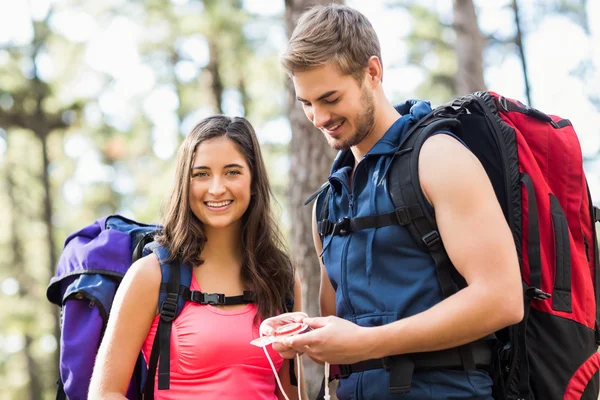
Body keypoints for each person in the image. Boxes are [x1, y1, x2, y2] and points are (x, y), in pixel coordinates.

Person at [273, 4, 523, 399]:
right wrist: (302, 335)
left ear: (372, 72)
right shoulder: (329, 202)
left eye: (330, 97)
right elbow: (341, 326)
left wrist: (369, 342)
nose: (318, 117)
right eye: (306, 103)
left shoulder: (438, 157)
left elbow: (503, 299)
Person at [89, 115, 303, 400]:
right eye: (201, 174)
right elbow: (105, 393)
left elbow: (292, 393)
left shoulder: (282, 280)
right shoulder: (150, 276)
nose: (216, 188)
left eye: (232, 172)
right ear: (184, 184)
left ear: (253, 181)